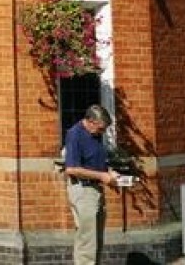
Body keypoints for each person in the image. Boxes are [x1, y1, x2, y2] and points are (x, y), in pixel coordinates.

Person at [64, 104, 120, 265]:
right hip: (83, 190)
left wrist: (109, 173)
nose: (102, 133)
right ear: (90, 121)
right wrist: (102, 176)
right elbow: (72, 169)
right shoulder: (75, 135)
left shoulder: (94, 135)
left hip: (95, 189)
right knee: (87, 241)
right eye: (101, 129)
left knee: (97, 238)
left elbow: (94, 162)